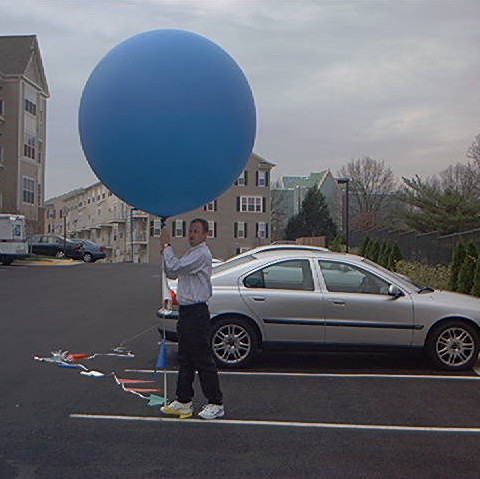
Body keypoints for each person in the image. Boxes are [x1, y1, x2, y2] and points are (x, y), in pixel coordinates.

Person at [159, 218, 224, 420]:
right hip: (186, 312)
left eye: (196, 231)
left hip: (197, 313)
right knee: (185, 358)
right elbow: (172, 271)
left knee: (202, 359)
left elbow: (176, 267)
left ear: (205, 234)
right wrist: (165, 249)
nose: (192, 234)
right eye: (190, 231)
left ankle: (215, 402)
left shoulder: (202, 254)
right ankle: (184, 400)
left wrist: (168, 247)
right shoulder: (191, 253)